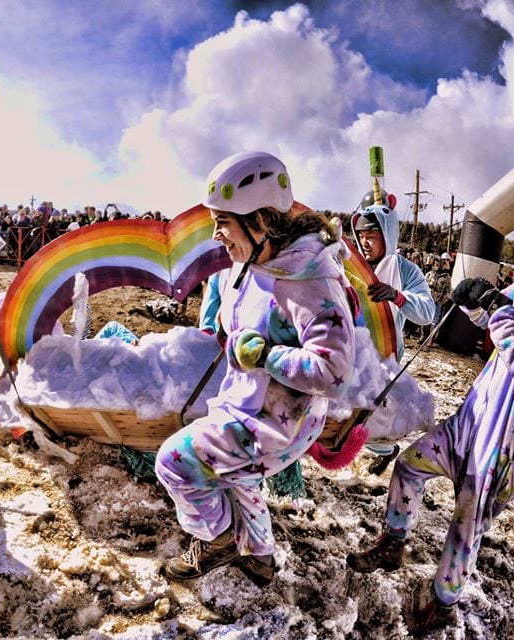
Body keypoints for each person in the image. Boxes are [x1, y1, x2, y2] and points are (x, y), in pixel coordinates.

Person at [346, 186, 514, 633]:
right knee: (409, 465)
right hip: (473, 417)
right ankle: (393, 540)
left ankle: (443, 603)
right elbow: (497, 319)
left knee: (466, 523)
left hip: (506, 438)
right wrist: (474, 301)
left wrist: (496, 308)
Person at [155, 151, 355, 586]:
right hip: (249, 406)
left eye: (223, 222)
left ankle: (217, 539)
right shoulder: (255, 262)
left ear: (259, 220)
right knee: (234, 477)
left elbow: (335, 371)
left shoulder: (309, 279)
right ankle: (261, 558)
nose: (216, 235)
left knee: (174, 463)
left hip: (274, 424)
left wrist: (266, 356)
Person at [350, 196, 437, 474]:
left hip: (383, 355)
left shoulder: (405, 270)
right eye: (361, 235)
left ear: (386, 235)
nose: (365, 242)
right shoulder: (350, 262)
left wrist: (398, 297)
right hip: (347, 347)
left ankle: (386, 450)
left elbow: (427, 312)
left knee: (373, 415)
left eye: (371, 236)